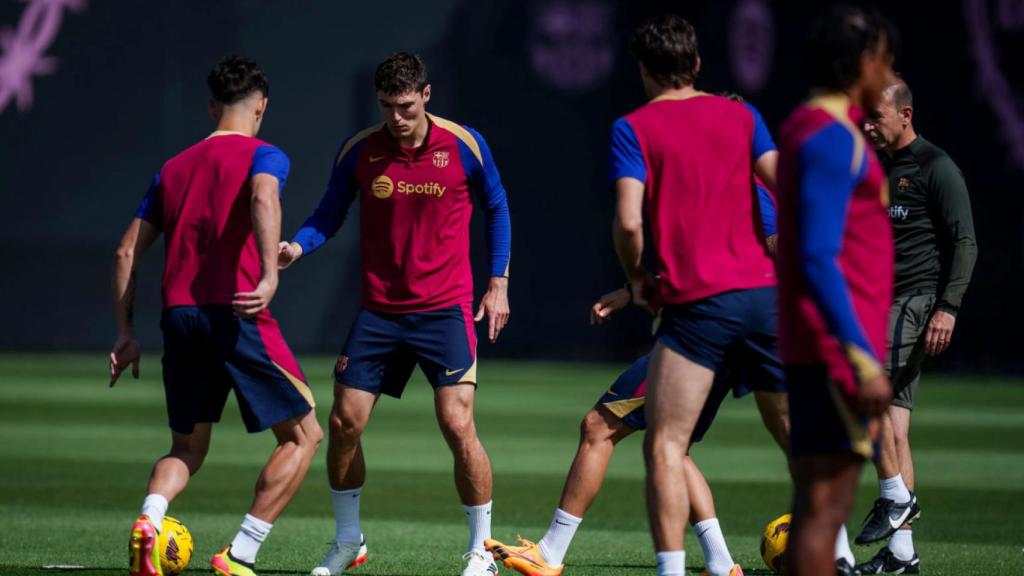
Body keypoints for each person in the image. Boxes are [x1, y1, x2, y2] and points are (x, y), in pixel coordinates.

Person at [485, 128, 783, 576]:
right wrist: (631, 291)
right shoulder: (730, 189)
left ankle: (550, 553)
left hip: (708, 338)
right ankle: (723, 565)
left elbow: (773, 256)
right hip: (727, 336)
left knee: (598, 426)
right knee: (674, 446)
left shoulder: (748, 194)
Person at [278, 52, 511, 576]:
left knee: (456, 422)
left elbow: (497, 206)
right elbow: (328, 213)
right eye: (387, 107)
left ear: (426, 95)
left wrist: (498, 282)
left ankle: (481, 550)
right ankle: (347, 541)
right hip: (381, 312)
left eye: (405, 106)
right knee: (342, 424)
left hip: (445, 308)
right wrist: (297, 246)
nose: (396, 117)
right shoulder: (361, 150)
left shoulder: (465, 145)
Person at [110, 56, 323, 576]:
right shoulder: (265, 155)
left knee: (185, 447)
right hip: (236, 311)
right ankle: (241, 552)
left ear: (211, 107)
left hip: (178, 315)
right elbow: (262, 196)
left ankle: (150, 521)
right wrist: (270, 278)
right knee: (304, 436)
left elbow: (123, 253)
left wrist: (124, 333)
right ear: (262, 107)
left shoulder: (174, 168)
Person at [606, 14, 782, 576]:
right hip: (765, 298)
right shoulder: (742, 114)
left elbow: (630, 223)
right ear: (698, 63)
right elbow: (789, 186)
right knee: (801, 442)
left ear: (643, 70)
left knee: (665, 444)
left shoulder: (634, 127)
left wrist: (637, 280)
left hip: (699, 306)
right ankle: (838, 555)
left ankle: (673, 570)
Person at [774, 6, 898, 576]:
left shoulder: (805, 126)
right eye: (884, 60)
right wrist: (860, 358)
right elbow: (818, 255)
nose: (889, 74)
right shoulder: (832, 137)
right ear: (861, 62)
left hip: (814, 347)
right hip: (835, 354)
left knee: (815, 506)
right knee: (828, 508)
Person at [855, 79, 977, 574]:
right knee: (897, 431)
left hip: (912, 303)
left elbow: (965, 242)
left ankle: (895, 498)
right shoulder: (875, 166)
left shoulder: (936, 167)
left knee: (859, 392)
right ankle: (903, 554)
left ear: (905, 115)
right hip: (878, 304)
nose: (867, 126)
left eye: (876, 118)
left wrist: (947, 307)